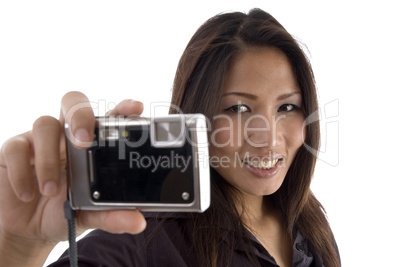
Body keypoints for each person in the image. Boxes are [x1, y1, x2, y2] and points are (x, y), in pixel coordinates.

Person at [0, 8, 340, 267]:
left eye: (287, 107)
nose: (268, 138)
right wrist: (18, 246)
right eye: (237, 109)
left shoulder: (308, 223)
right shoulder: (142, 239)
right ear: (195, 117)